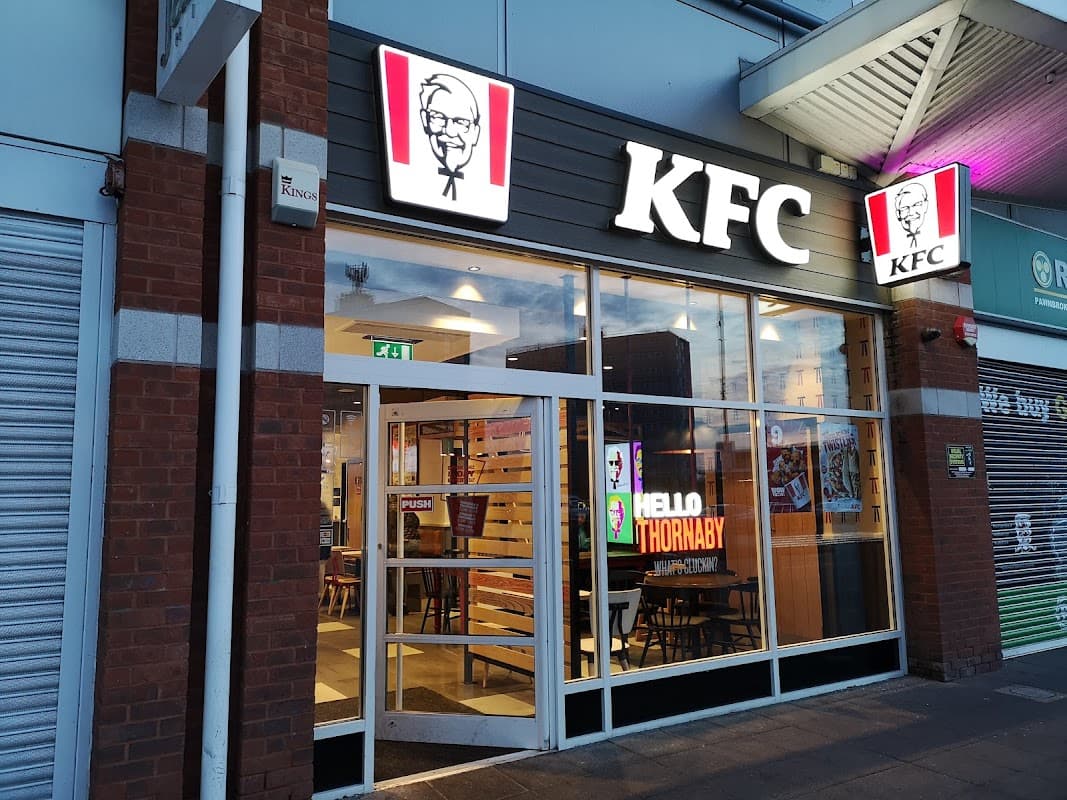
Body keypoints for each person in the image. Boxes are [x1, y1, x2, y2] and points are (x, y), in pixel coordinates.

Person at [419, 73, 481, 201]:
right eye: (438, 117)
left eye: (461, 122)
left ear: (475, 132)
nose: (450, 131)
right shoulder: (413, 181)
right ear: (425, 120)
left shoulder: (483, 198)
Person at [894, 183, 928, 247]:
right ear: (898, 214)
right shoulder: (896, 244)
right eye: (904, 208)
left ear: (925, 206)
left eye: (916, 205)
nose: (911, 213)